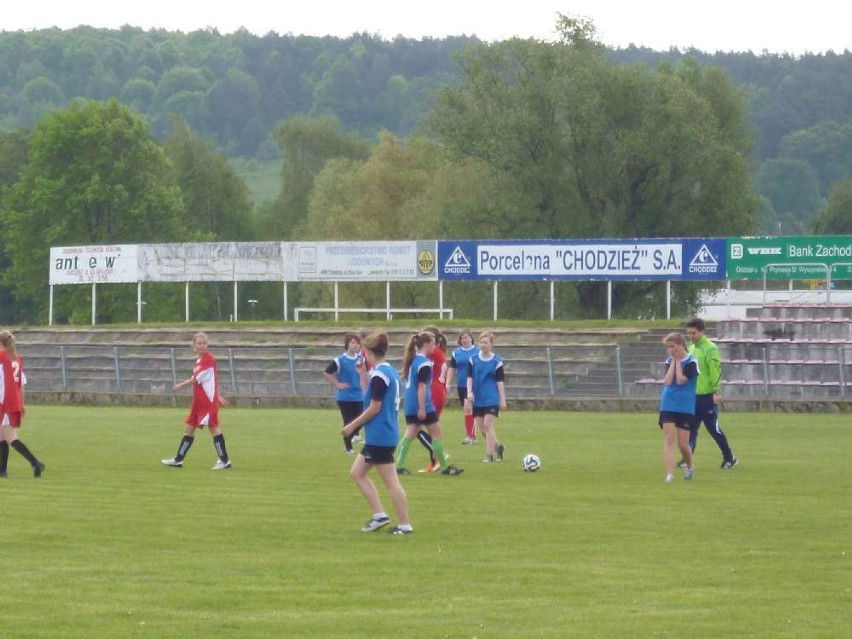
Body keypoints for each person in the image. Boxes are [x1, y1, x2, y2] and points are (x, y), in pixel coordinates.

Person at [341, 330, 412, 535]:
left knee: (391, 483)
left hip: (381, 435)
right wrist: (363, 374)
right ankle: (379, 515)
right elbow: (369, 395)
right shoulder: (385, 371)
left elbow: (374, 407)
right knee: (357, 473)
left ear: (369, 352)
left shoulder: (380, 375)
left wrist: (352, 426)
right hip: (382, 434)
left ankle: (404, 524)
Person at [395, 331, 463, 476]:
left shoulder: (413, 360)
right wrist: (422, 408)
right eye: (432, 343)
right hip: (423, 404)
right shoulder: (424, 363)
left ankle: (398, 466)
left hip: (410, 404)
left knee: (410, 434)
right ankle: (445, 467)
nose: (434, 346)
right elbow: (421, 386)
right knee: (437, 434)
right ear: (426, 344)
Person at [162, 332, 231, 470]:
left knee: (213, 428)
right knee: (189, 428)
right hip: (198, 402)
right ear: (193, 345)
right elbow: (211, 381)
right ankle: (178, 459)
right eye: (199, 343)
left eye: (204, 343)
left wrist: (180, 385)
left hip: (207, 402)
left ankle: (224, 460)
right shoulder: (199, 361)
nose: (202, 346)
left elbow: (196, 379)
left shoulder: (209, 359)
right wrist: (218, 395)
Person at [684, 318, 738, 469]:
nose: (691, 336)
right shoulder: (692, 348)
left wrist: (716, 391)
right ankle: (687, 458)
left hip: (707, 395)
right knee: (691, 429)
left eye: (693, 333)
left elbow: (715, 371)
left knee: (713, 429)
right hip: (694, 396)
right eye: (688, 333)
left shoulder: (711, 348)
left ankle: (729, 457)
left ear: (702, 331)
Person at [0, 330, 45, 478]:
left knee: (11, 438)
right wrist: (22, 404)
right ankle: (2, 471)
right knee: (2, 436)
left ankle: (35, 463)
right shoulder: (17, 359)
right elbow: (22, 384)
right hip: (14, 402)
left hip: (4, 402)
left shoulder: (1, 357)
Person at [658, 332, 698, 483]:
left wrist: (679, 361)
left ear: (681, 345)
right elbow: (668, 381)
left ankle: (689, 466)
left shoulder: (692, 362)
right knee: (669, 439)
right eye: (668, 347)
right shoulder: (669, 360)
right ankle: (669, 474)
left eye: (673, 346)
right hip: (668, 403)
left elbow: (681, 380)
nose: (670, 350)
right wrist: (674, 361)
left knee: (683, 444)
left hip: (685, 406)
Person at [466, 331, 507, 463]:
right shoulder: (473, 360)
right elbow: (469, 377)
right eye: (481, 342)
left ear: (491, 344)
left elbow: (500, 382)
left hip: (491, 398)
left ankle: (489, 456)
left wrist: (502, 399)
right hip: (478, 398)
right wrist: (469, 392)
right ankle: (498, 447)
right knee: (483, 430)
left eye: (486, 342)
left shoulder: (497, 361)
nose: (483, 345)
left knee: (488, 425)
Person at [324, 333, 367, 454]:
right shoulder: (340, 360)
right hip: (345, 397)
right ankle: (349, 448)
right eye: (353, 342)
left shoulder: (361, 359)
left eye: (357, 343)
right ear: (347, 344)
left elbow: (365, 374)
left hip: (359, 396)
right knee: (348, 422)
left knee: (361, 420)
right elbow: (327, 372)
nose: (356, 345)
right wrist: (337, 384)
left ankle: (350, 435)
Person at [416, 325, 449, 473]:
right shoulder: (439, 352)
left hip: (433, 390)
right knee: (431, 429)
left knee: (417, 428)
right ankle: (436, 460)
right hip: (439, 390)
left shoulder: (432, 352)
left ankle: (439, 457)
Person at [445, 329, 478, 444]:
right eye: (462, 338)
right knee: (468, 410)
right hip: (462, 385)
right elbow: (452, 369)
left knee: (468, 408)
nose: (464, 340)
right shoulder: (456, 353)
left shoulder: (477, 351)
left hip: (475, 384)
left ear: (471, 338)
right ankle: (471, 434)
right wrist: (448, 383)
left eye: (466, 337)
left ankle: (471, 436)